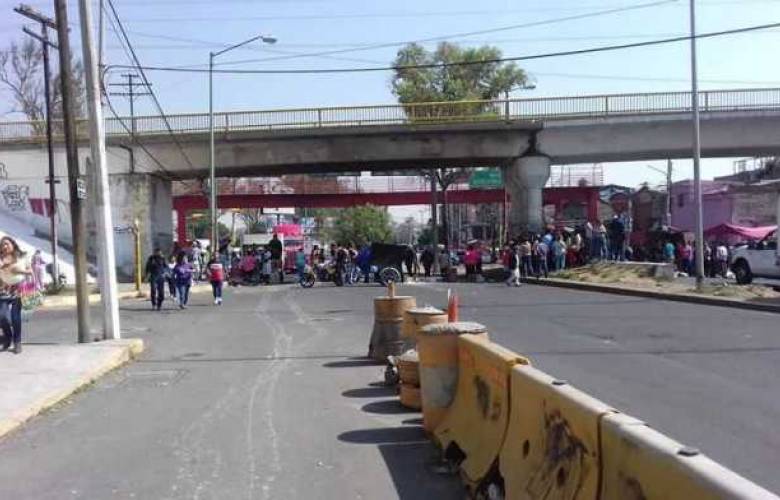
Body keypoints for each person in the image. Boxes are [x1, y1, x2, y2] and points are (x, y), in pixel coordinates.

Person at [0, 236, 31, 354]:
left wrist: (18, 271)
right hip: (3, 290)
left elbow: (30, 272)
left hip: (18, 289)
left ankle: (17, 342)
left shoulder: (22, 257)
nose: (5, 247)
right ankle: (8, 337)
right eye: (3, 245)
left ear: (13, 244)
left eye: (7, 244)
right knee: (2, 316)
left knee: (15, 317)